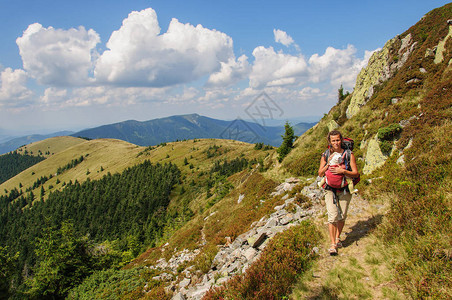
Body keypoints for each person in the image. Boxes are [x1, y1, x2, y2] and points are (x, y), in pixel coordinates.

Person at [318, 130, 359, 255]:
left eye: (338, 140)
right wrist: (328, 163)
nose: (336, 142)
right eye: (333, 140)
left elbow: (356, 173)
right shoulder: (326, 154)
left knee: (342, 216)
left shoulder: (348, 154)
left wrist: (343, 171)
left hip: (345, 187)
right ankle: (333, 244)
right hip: (329, 188)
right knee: (332, 217)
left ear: (341, 140)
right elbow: (320, 173)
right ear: (329, 142)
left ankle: (337, 237)